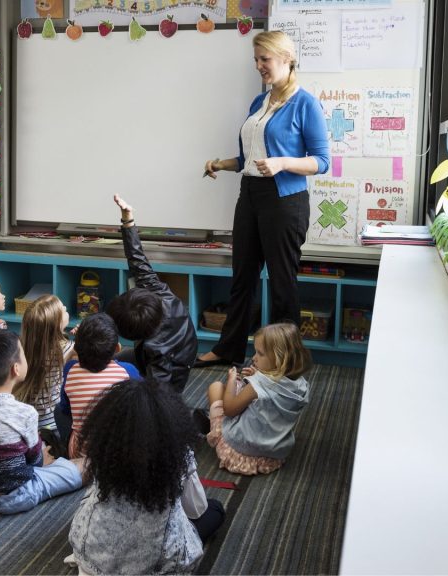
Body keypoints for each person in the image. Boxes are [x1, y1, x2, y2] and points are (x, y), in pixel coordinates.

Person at [197, 30, 330, 367]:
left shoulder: (306, 104)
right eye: (256, 59)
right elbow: (249, 159)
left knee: (282, 284)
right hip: (251, 194)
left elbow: (322, 161)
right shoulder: (259, 102)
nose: (258, 65)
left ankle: (287, 361)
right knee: (242, 277)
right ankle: (228, 349)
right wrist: (220, 164)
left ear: (286, 59)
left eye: (264, 59)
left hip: (285, 201)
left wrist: (283, 163)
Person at [67, 379, 223, 574]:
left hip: (93, 556)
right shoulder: (180, 457)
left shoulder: (106, 451)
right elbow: (197, 509)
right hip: (156, 562)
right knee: (215, 510)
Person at [0, 330, 86, 514]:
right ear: (15, 369)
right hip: (16, 496)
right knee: (80, 467)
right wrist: (44, 456)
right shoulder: (25, 413)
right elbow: (36, 462)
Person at [106, 195, 198, 392]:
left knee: (119, 384)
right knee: (108, 363)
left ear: (136, 335)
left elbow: (159, 395)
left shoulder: (157, 352)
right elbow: (137, 260)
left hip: (173, 377)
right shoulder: (158, 292)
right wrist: (127, 220)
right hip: (178, 350)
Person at [205, 323, 311, 475]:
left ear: (280, 358)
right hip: (274, 453)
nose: (254, 358)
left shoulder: (258, 385)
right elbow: (271, 394)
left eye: (260, 354)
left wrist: (231, 380)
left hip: (239, 451)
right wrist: (257, 375)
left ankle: (212, 424)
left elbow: (229, 410)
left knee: (216, 387)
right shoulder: (301, 386)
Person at [53, 313, 140, 458]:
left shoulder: (70, 369)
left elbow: (66, 408)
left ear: (77, 348)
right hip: (119, 454)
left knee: (58, 410)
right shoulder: (128, 371)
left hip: (80, 455)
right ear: (117, 349)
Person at [16, 295, 74, 430]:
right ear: (56, 323)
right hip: (53, 421)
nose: (65, 308)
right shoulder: (67, 348)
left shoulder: (21, 345)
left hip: (25, 419)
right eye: (62, 309)